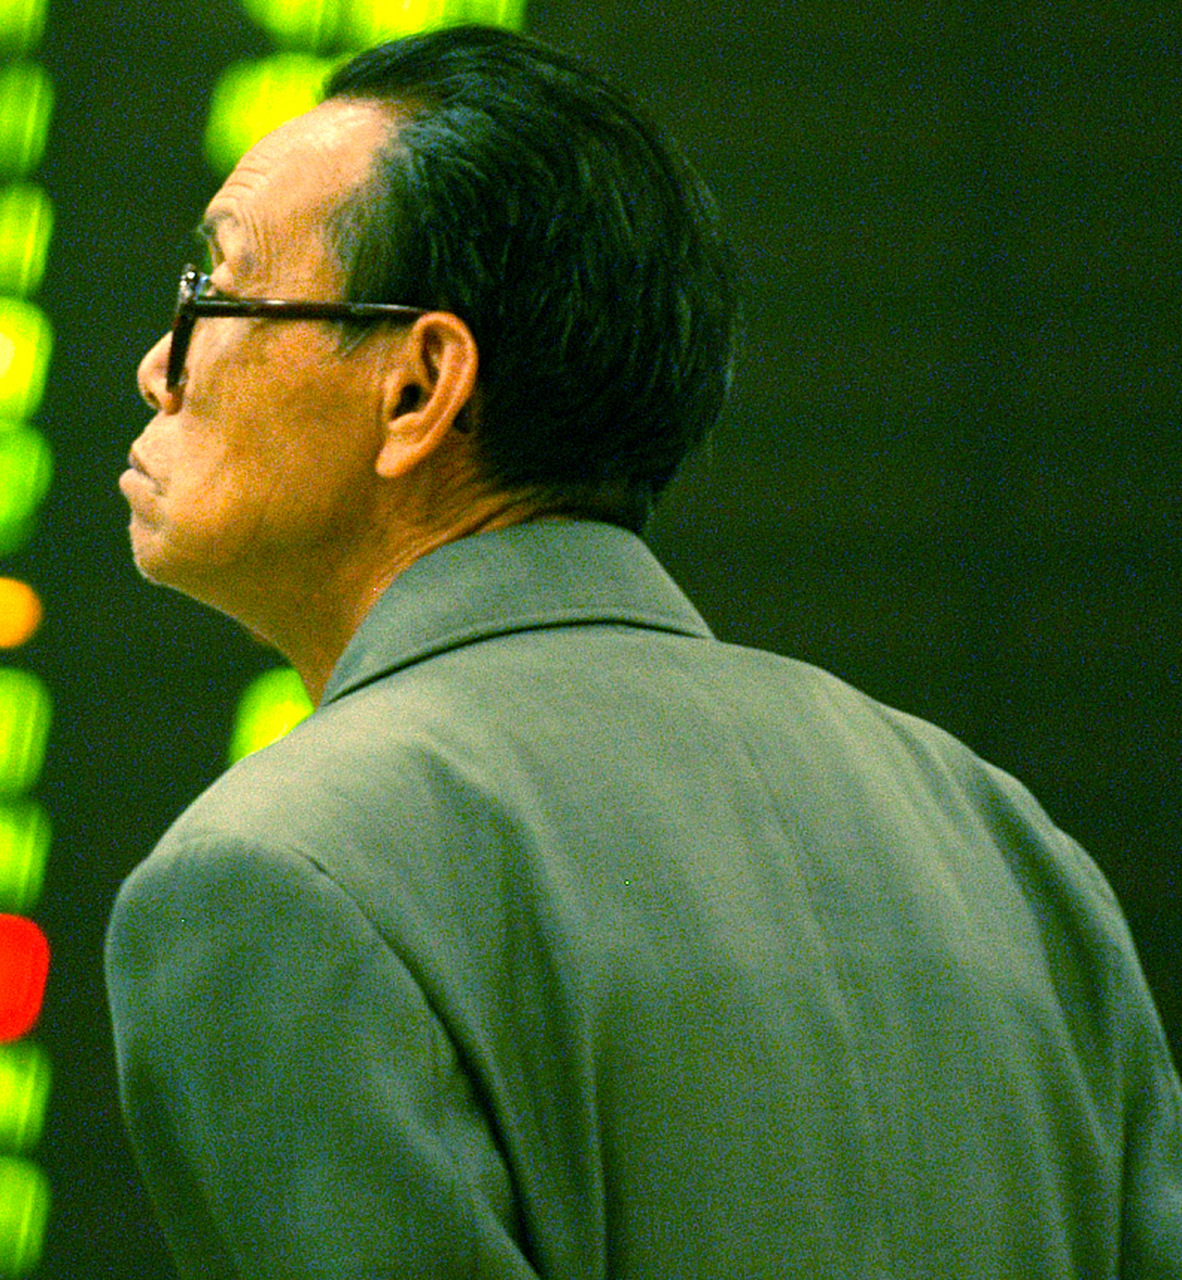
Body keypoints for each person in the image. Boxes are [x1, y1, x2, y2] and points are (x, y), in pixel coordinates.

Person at [106, 24, 1182, 1279]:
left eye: (213, 290)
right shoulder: (1005, 843)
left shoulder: (275, 876)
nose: (157, 368)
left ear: (418, 387)